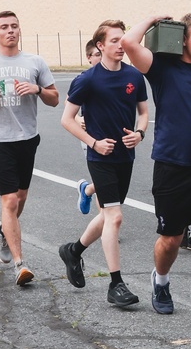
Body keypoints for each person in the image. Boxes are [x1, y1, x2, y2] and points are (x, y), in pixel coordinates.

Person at [121, 13, 191, 336]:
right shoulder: (162, 68)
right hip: (172, 167)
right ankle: (160, 281)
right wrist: (153, 19)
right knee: (170, 240)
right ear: (184, 39)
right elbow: (129, 42)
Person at [0, 10, 58, 285]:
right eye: (4, 27)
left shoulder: (35, 62)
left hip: (27, 138)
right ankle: (20, 264)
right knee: (10, 200)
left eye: (14, 26)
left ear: (19, 30)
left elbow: (54, 99)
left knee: (22, 197)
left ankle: (3, 232)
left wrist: (37, 90)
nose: (10, 31)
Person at [59, 20, 148, 307]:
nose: (121, 45)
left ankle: (74, 251)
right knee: (115, 216)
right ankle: (116, 284)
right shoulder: (87, 79)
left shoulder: (134, 76)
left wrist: (140, 134)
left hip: (126, 156)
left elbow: (143, 113)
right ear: (100, 45)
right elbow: (66, 120)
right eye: (114, 41)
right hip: (100, 156)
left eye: (123, 40)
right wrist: (93, 142)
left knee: (108, 215)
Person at [76, 39, 103, 214]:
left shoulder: (118, 75)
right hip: (91, 136)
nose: (101, 58)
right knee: (103, 179)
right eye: (98, 55)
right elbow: (68, 103)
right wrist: (78, 119)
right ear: (89, 58)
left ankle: (86, 190)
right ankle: (106, 220)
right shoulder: (85, 78)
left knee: (113, 180)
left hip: (113, 134)